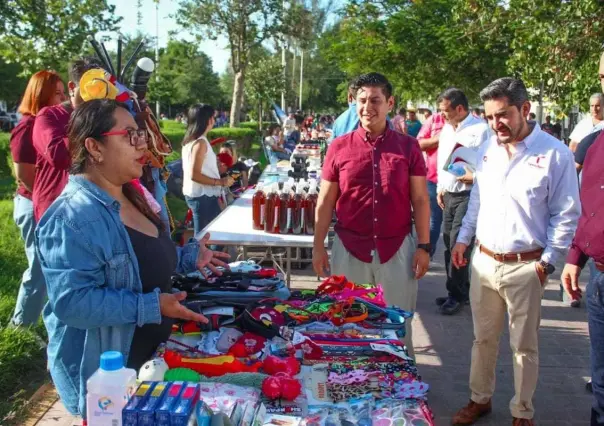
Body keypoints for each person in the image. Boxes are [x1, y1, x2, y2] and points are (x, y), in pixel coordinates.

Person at [35, 99, 230, 418]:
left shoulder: (133, 194)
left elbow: (140, 260)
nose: (143, 143)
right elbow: (72, 303)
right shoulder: (71, 217)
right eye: (130, 136)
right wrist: (153, 307)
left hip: (148, 367)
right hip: (106, 384)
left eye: (142, 134)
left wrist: (188, 258)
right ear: (94, 147)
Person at [451, 77, 580, 426]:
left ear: (525, 109)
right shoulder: (489, 150)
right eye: (491, 117)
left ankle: (522, 411)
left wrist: (548, 262)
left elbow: (566, 214)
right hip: (484, 261)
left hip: (527, 266)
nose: (496, 124)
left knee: (524, 347)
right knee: (483, 340)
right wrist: (463, 239)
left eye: (503, 115)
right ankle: (480, 399)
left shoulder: (555, 154)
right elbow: (478, 199)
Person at [312, 72, 430, 358]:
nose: (368, 107)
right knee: (347, 324)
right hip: (350, 248)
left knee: (397, 325)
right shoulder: (339, 147)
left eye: (376, 100)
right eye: (362, 100)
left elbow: (420, 199)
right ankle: (349, 385)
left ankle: (403, 391)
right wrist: (317, 247)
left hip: (397, 248)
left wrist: (424, 247)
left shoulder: (408, 146)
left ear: (390, 103)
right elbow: (326, 200)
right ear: (354, 103)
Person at [9, 70, 66, 327]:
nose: (63, 98)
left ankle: (39, 322)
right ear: (41, 93)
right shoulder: (28, 126)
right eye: (58, 93)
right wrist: (47, 201)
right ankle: (20, 326)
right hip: (33, 205)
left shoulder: (52, 121)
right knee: (38, 271)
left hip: (45, 206)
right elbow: (25, 175)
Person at [435, 88, 490, 315]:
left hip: (469, 194)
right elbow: (442, 159)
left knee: (460, 242)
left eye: (445, 111)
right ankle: (459, 288)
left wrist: (474, 177)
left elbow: (491, 164)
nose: (442, 116)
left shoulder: (482, 130)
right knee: (448, 241)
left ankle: (456, 294)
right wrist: (440, 187)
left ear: (459, 108)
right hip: (449, 193)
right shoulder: (447, 130)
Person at [32, 57, 104, 222]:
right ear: (72, 87)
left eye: (101, 87)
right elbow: (59, 156)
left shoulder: (108, 118)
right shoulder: (49, 116)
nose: (95, 93)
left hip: (96, 211)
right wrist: (88, 120)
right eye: (89, 86)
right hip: (57, 212)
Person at [181, 103, 233, 236]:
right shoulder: (200, 143)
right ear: (208, 120)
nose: (214, 121)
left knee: (209, 237)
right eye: (213, 117)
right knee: (205, 238)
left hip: (201, 195)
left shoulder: (192, 141)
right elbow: (194, 175)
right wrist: (220, 182)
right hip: (203, 196)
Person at [416, 111, 446, 258]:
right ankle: (426, 255)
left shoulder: (474, 124)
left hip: (461, 184)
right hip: (434, 179)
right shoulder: (435, 119)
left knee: (459, 227)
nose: (446, 112)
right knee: (434, 220)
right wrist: (438, 139)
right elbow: (419, 144)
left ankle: (458, 267)